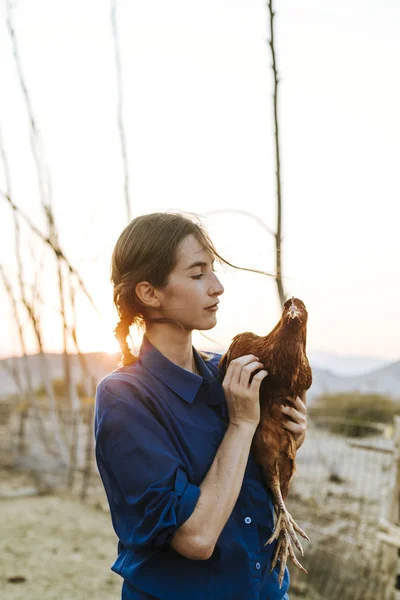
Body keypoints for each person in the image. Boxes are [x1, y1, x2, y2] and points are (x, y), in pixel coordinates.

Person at [94, 212, 307, 600]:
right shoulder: (125, 397)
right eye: (198, 274)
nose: (218, 287)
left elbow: (254, 494)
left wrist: (284, 439)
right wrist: (242, 424)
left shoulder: (227, 373)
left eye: (214, 271)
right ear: (149, 293)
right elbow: (196, 538)